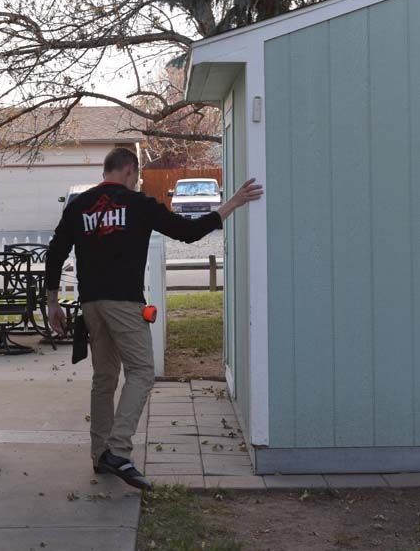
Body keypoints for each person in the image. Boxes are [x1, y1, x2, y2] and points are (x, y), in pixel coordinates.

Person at [44, 147, 263, 490]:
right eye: (137, 175)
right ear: (129, 170)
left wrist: (53, 300)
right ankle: (117, 449)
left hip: (91, 305)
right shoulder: (138, 204)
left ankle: (100, 453)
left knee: (104, 378)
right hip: (125, 303)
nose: (138, 181)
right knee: (143, 371)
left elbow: (56, 251)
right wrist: (231, 203)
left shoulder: (79, 206)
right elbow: (188, 232)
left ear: (107, 170)